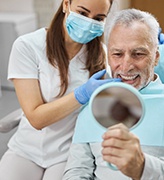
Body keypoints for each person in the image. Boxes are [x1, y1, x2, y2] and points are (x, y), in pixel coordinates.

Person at [0, 0, 121, 180]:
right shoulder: (28, 46)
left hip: (68, 152)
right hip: (26, 149)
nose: (89, 22)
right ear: (66, 4)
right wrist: (82, 94)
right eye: (83, 13)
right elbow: (36, 118)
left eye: (98, 18)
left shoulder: (101, 55)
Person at [63, 8, 164, 180]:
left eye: (138, 54)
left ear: (155, 57)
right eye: (117, 54)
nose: (126, 67)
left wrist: (143, 167)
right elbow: (77, 170)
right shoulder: (93, 105)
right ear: (108, 55)